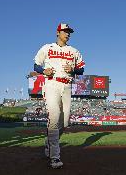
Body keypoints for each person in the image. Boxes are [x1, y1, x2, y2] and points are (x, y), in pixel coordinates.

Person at [33, 23, 85, 169]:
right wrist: (44, 71)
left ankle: (48, 143)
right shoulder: (47, 48)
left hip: (67, 86)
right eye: (65, 31)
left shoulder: (73, 51)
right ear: (58, 32)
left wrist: (74, 69)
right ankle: (54, 157)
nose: (67, 34)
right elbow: (36, 65)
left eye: (69, 32)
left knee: (64, 122)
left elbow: (81, 69)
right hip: (51, 84)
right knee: (54, 116)